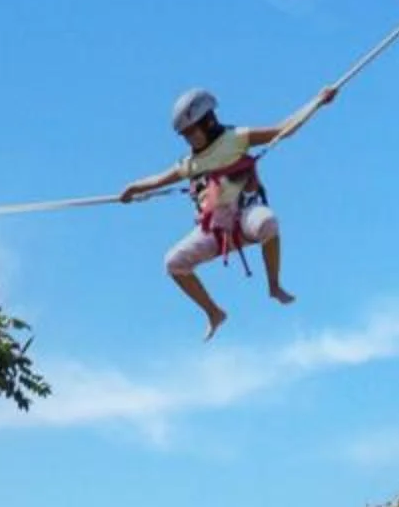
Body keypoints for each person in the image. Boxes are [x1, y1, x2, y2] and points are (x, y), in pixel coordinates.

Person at [118, 84, 336, 339]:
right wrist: (133, 189)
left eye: (191, 132)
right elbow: (159, 180)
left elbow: (283, 129)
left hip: (245, 219)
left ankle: (274, 286)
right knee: (173, 263)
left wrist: (317, 102)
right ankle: (214, 313)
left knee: (268, 222)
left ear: (208, 122)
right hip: (216, 232)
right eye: (185, 135)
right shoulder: (190, 163)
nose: (188, 139)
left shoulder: (236, 138)